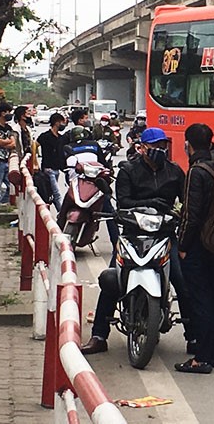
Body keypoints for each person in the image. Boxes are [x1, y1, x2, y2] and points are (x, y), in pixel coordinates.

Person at [81, 127, 194, 355]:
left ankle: (193, 336)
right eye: (154, 146)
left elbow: (185, 203)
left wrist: (179, 216)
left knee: (182, 281)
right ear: (141, 148)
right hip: (132, 234)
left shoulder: (175, 172)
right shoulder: (128, 170)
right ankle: (99, 335)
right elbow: (123, 201)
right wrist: (152, 202)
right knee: (113, 280)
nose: (159, 150)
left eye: (163, 146)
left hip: (164, 235)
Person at [174, 123, 214, 374]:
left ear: (188, 144)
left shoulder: (196, 171)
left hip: (198, 245)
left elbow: (191, 215)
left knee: (200, 298)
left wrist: (182, 246)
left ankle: (201, 358)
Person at [60, 125, 119, 252]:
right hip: (96, 183)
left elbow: (64, 167)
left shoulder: (68, 148)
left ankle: (57, 228)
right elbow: (104, 164)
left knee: (66, 203)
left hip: (77, 182)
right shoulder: (95, 145)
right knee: (109, 213)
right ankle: (117, 245)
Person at [36, 112, 67, 211]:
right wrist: (34, 162)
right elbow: (34, 146)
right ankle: (61, 213)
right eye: (62, 122)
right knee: (56, 193)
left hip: (57, 169)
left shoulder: (61, 138)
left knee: (51, 192)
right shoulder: (45, 136)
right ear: (57, 123)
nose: (63, 125)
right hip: (48, 168)